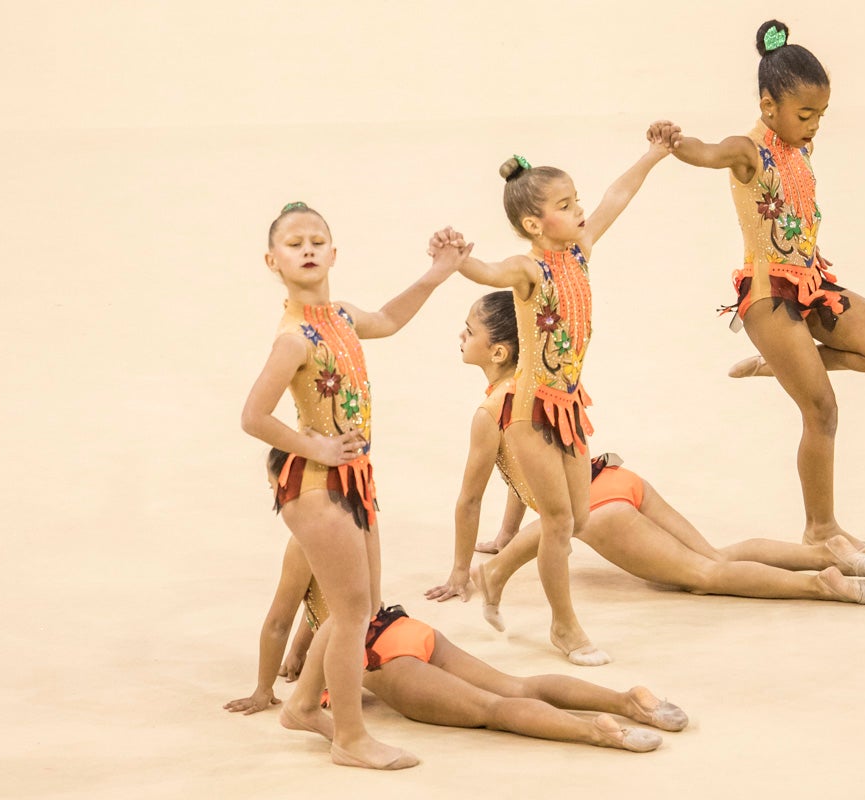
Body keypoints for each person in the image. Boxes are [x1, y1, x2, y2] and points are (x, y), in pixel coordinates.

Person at [423, 293, 865, 634]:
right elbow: (527, 472)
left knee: (704, 578)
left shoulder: (491, 413)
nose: (460, 335)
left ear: (499, 351)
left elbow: (469, 500)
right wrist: (506, 537)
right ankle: (824, 553)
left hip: (600, 513)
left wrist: (462, 571)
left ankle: (822, 585)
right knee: (715, 555)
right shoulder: (537, 385)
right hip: (619, 480)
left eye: (469, 330)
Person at [648, 20, 865, 556]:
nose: (815, 125)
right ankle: (821, 528)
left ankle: (782, 364)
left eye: (821, 114)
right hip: (769, 297)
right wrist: (675, 144)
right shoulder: (749, 149)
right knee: (822, 411)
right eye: (805, 114)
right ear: (769, 106)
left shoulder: (797, 144)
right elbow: (708, 151)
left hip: (812, 284)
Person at [427, 141, 670, 665]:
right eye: (565, 206)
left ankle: (494, 574)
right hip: (531, 413)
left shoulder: (580, 250)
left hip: (569, 406)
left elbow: (618, 195)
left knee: (575, 518)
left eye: (574, 200)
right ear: (535, 225)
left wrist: (654, 153)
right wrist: (458, 260)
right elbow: (490, 273)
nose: (579, 210)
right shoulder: (528, 270)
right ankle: (566, 628)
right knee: (559, 522)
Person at [239, 202, 463, 769]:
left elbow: (386, 320)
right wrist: (315, 445)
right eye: (294, 243)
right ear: (273, 261)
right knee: (351, 611)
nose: (307, 248)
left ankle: (301, 708)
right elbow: (253, 416)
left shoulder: (338, 316)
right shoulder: (293, 338)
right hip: (315, 483)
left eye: (317, 239)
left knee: (354, 611)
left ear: (334, 253)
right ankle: (350, 738)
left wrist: (438, 273)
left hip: (352, 480)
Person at [225, 529, 688, 754]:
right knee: (517, 686)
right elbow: (335, 599)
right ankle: (629, 700)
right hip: (407, 628)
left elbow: (278, 621)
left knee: (494, 711)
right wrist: (302, 657)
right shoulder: (356, 517)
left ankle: (598, 731)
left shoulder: (305, 538)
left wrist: (264, 689)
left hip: (381, 659)